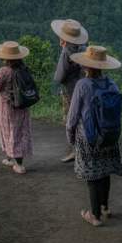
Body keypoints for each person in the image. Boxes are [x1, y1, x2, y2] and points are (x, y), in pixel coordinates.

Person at [66, 46, 122, 227]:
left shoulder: (82, 85)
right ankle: (105, 207)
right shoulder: (112, 84)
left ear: (86, 65)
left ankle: (95, 215)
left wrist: (71, 138)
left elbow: (72, 117)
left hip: (89, 138)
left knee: (92, 176)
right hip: (109, 136)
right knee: (105, 171)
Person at [0, 41, 34, 174]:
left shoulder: (4, 71)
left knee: (9, 131)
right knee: (20, 132)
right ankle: (11, 159)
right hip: (22, 106)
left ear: (5, 58)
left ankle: (19, 165)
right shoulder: (23, 68)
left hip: (8, 108)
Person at [51, 18, 89, 163]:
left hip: (71, 91)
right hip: (86, 89)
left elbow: (59, 77)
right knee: (84, 119)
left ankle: (76, 151)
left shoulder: (67, 51)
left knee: (71, 120)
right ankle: (85, 148)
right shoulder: (84, 48)